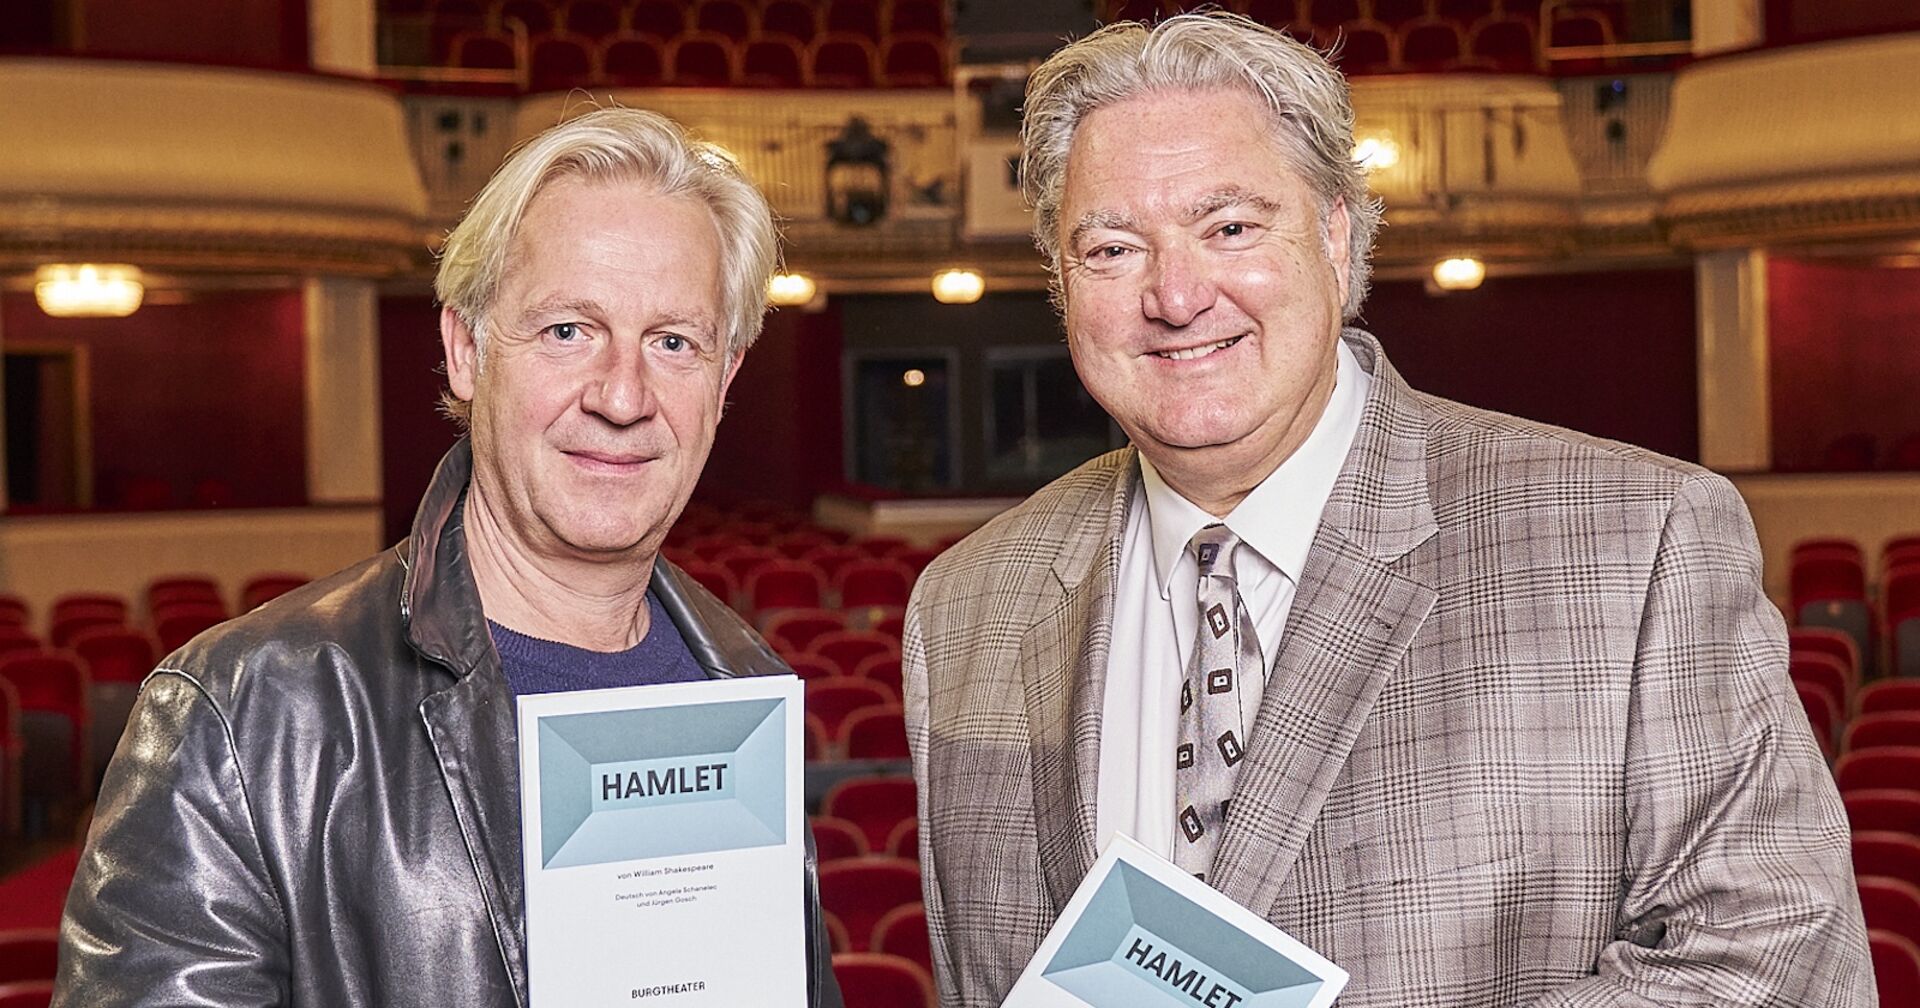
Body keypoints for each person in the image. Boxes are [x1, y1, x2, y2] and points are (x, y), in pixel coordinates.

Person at [903, 13, 1872, 1007]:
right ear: (1062, 282)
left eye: (1230, 227)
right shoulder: (969, 602)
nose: (1177, 294)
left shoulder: (1641, 543)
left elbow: (1776, 963)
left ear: (1334, 232)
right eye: (1112, 248)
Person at [57, 108, 843, 1008]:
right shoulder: (245, 720)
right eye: (567, 331)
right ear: (465, 349)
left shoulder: (743, 690)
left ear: (725, 380)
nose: (623, 396)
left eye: (673, 342)